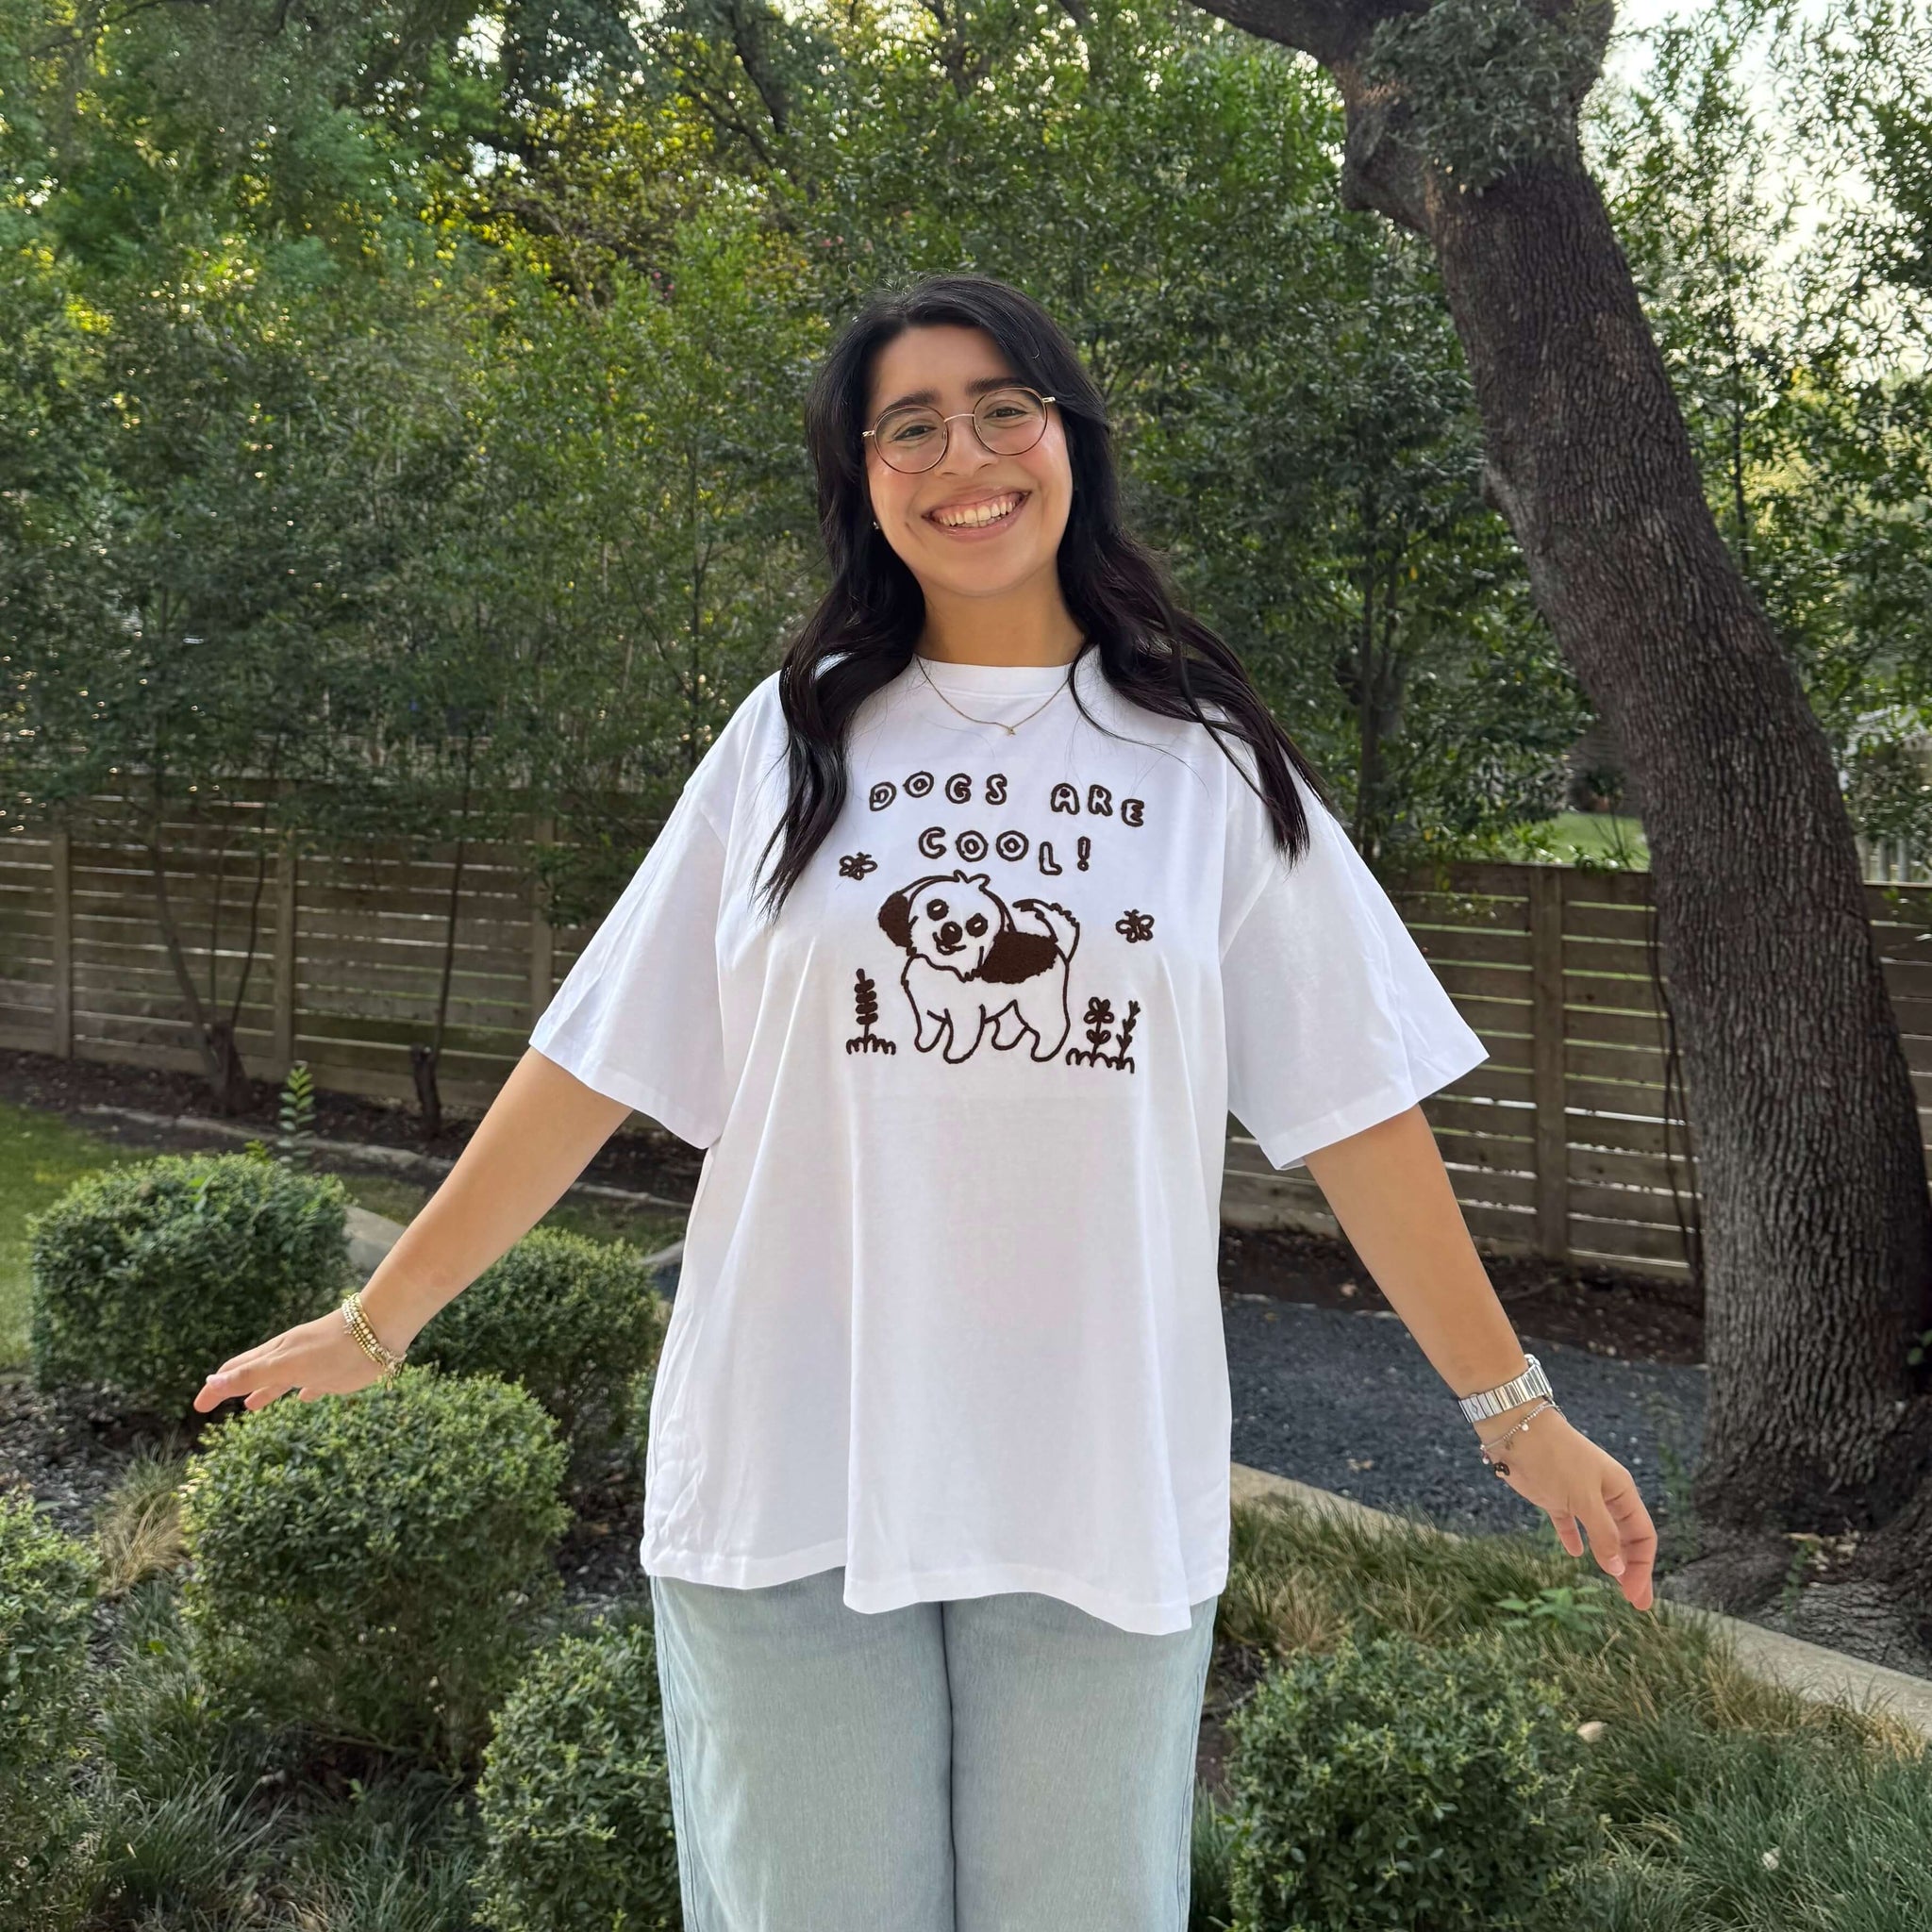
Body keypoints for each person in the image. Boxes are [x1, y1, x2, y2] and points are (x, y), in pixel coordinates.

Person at [196, 271, 1657, 1931]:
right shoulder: (788, 740)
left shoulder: (1206, 761)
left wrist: (1517, 1417)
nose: (963, 455)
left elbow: (1358, 1110)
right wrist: (377, 1321)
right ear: (864, 481)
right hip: (790, 1471)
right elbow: (595, 1056)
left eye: (1000, 409)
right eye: (910, 426)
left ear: (1067, 439)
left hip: (1093, 1492)